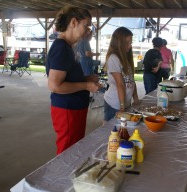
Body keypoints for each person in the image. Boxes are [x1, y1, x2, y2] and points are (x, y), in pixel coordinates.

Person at [46, 6, 102, 154]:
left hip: (73, 106)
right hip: (67, 109)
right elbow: (55, 86)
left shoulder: (69, 47)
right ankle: (61, 178)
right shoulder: (62, 48)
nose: (87, 30)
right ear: (73, 22)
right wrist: (86, 85)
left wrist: (86, 79)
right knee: (67, 151)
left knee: (75, 146)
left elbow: (68, 76)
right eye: (86, 25)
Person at [103, 27, 140, 121]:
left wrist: (135, 98)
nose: (130, 46)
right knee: (112, 131)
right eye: (127, 43)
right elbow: (120, 84)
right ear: (119, 43)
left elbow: (131, 80)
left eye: (130, 42)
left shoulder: (126, 58)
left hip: (124, 103)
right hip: (115, 104)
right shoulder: (114, 58)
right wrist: (122, 107)